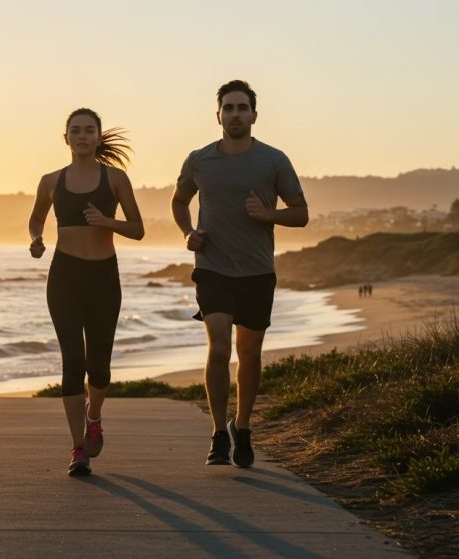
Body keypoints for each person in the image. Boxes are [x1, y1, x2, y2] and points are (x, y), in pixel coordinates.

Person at [171, 80, 309, 468]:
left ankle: (242, 426)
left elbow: (301, 213)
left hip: (257, 272)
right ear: (218, 115)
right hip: (213, 269)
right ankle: (217, 433)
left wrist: (269, 215)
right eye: (228, 108)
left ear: (254, 115)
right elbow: (179, 201)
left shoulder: (273, 160)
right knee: (218, 348)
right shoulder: (199, 160)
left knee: (249, 353)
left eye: (242, 107)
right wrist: (188, 233)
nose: (235, 114)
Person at [28, 108, 145, 476]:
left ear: (97, 136)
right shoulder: (50, 180)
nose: (82, 136)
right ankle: (78, 447)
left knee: (99, 365)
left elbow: (138, 229)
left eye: (89, 130)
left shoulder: (115, 179)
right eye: (75, 130)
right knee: (72, 362)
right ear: (66, 138)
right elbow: (36, 217)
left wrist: (106, 221)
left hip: (102, 277)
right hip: (64, 275)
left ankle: (94, 416)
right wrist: (36, 238)